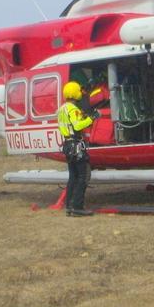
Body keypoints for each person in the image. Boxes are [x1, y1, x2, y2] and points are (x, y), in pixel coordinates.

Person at [57, 81, 98, 216]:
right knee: (83, 176)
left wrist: (84, 116)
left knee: (73, 177)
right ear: (75, 93)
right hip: (76, 145)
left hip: (68, 145)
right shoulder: (72, 109)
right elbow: (77, 126)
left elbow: (71, 123)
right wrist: (92, 118)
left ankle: (69, 206)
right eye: (79, 91)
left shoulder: (62, 109)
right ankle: (77, 207)